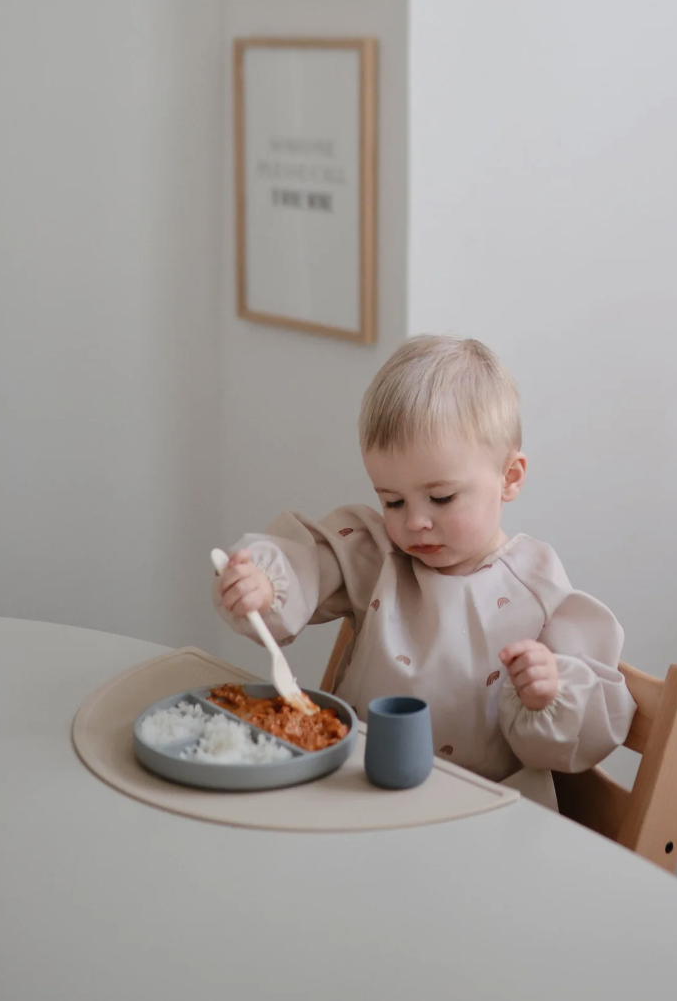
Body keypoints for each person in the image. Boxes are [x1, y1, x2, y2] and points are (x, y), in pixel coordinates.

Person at [214, 335, 635, 800]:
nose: (414, 522)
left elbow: (580, 731)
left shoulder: (536, 586)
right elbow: (313, 558)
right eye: (392, 501)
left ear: (509, 478)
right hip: (359, 787)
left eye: (441, 498)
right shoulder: (380, 554)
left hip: (480, 812)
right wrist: (266, 585)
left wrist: (548, 693)